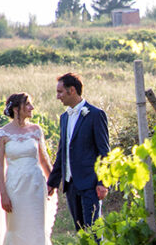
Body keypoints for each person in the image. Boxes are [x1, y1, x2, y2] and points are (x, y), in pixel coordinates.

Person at [0, 93, 59, 245]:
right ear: (16, 109)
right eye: (27, 105)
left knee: (37, 226)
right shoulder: (2, 134)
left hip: (35, 185)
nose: (31, 108)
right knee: (16, 226)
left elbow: (44, 159)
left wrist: (53, 180)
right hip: (14, 186)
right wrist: (3, 193)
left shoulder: (36, 130)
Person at [46, 72, 109, 231]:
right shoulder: (64, 118)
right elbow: (62, 152)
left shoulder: (95, 115)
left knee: (94, 232)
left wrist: (103, 183)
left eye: (60, 92)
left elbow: (104, 152)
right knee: (80, 232)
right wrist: (52, 182)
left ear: (71, 90)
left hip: (90, 184)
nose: (57, 96)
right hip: (71, 185)